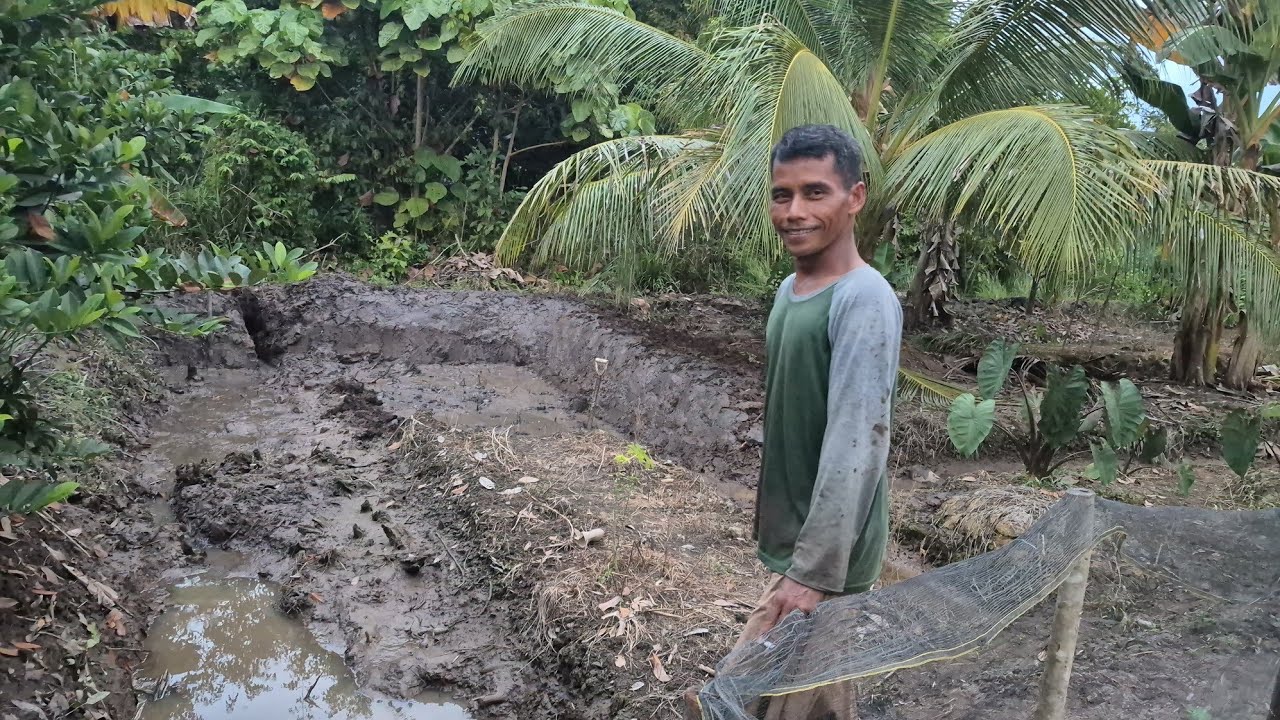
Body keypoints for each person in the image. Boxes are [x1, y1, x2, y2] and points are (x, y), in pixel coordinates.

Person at [688, 124, 902, 720]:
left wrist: (813, 573)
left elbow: (858, 444)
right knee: (770, 696)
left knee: (778, 700)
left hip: (828, 559)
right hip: (800, 545)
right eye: (782, 195)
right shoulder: (792, 288)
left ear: (854, 198)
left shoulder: (863, 299)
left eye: (815, 193)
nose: (794, 211)